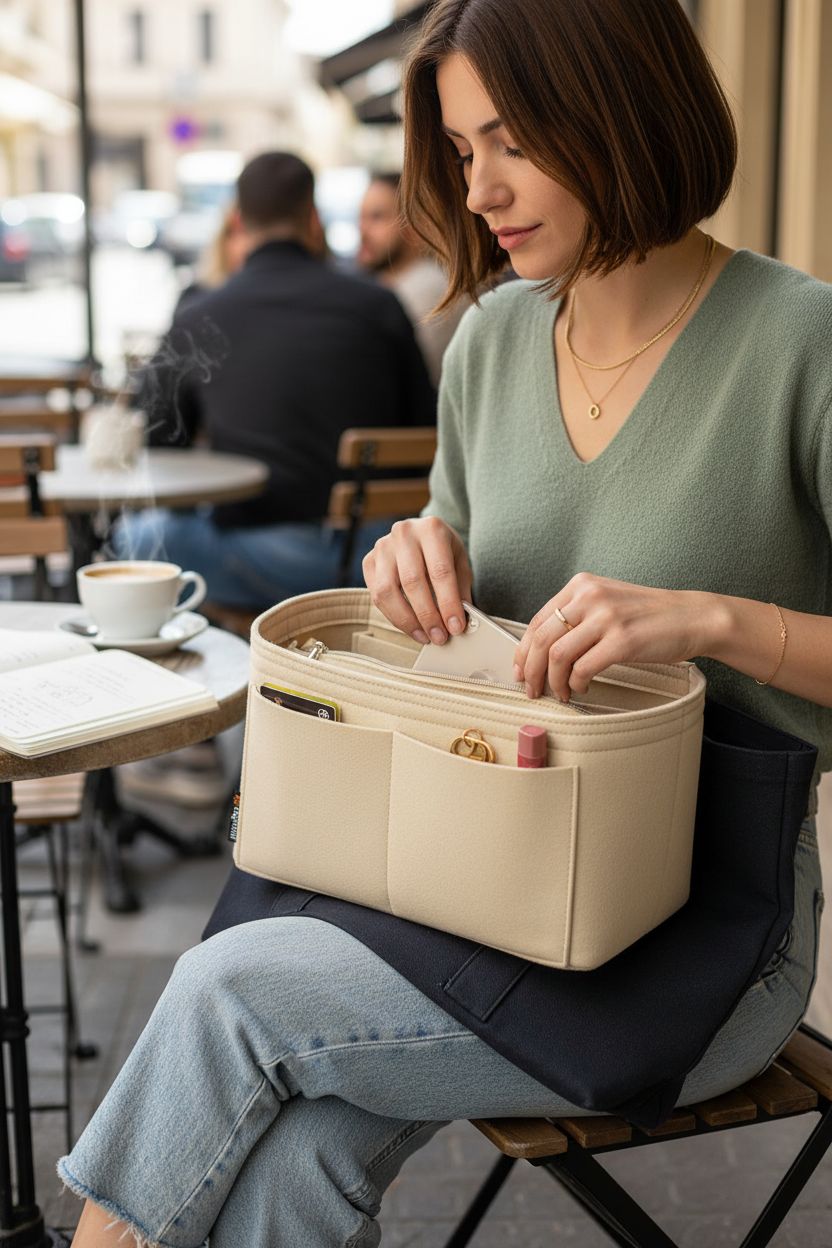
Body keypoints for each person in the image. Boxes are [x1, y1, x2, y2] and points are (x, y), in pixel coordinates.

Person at [59, 1, 832, 1243]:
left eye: (511, 142)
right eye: (465, 152)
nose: (478, 191)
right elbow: (448, 603)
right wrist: (411, 569)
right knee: (297, 1156)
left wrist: (711, 621)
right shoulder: (487, 341)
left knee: (228, 994)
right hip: (472, 875)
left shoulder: (800, 341)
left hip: (700, 932)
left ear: (623, 110)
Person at [114, 151, 436, 609]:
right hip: (378, 560)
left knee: (135, 537)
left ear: (239, 221)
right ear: (312, 217)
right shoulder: (379, 305)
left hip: (264, 556)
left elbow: (160, 443)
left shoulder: (199, 316)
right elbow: (424, 427)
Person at [357, 171, 467, 386]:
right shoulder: (390, 286)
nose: (362, 230)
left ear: (415, 224)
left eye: (377, 217)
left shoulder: (430, 288)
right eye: (361, 217)